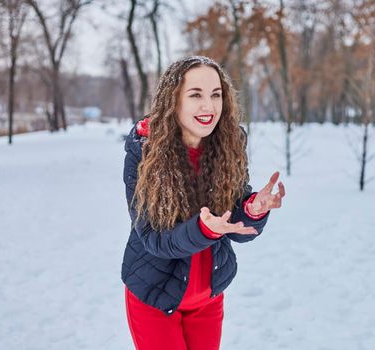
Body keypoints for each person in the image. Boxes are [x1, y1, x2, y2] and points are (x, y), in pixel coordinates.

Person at [121, 55, 286, 350]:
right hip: (155, 297)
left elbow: (233, 224)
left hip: (207, 299)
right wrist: (203, 230)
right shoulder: (144, 152)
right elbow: (154, 239)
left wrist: (252, 210)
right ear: (174, 100)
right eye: (196, 95)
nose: (208, 107)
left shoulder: (228, 144)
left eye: (216, 95)